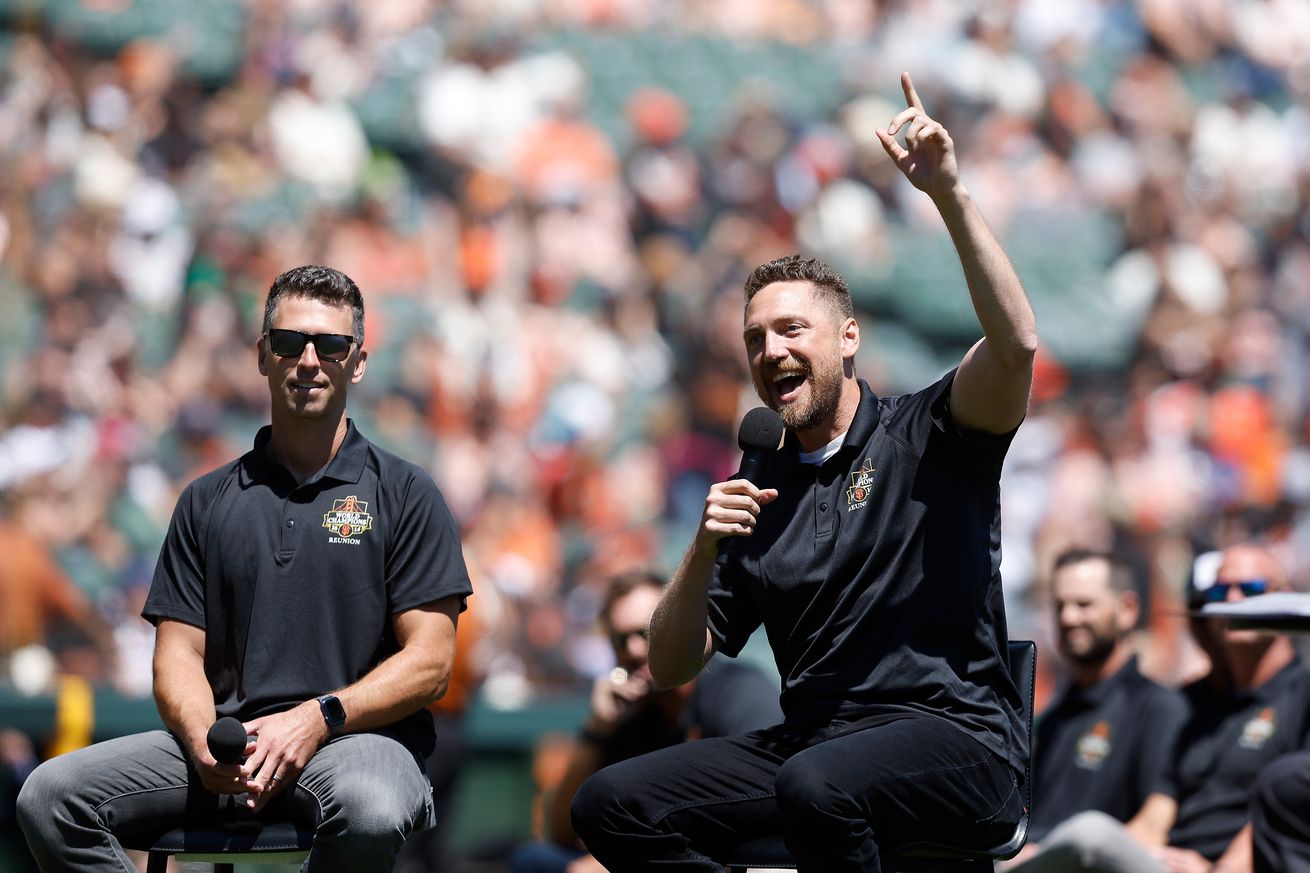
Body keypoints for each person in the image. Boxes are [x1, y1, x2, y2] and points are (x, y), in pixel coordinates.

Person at [571, 71, 1038, 872]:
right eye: (755, 338)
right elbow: (671, 664)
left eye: (792, 329)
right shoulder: (758, 489)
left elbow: (1015, 347)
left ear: (848, 337)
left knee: (816, 785)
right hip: (813, 745)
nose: (770, 351)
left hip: (957, 739)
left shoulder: (927, 432)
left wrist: (949, 194)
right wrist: (703, 547)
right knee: (611, 803)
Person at [16, 265, 473, 872]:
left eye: (330, 345)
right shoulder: (206, 500)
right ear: (263, 355)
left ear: (357, 362)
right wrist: (207, 742)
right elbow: (176, 654)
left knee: (372, 806)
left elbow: (432, 663)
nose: (309, 359)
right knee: (49, 798)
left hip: (353, 742)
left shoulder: (407, 492)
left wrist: (317, 718)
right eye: (289, 342)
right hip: (225, 743)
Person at [1019, 543, 1310, 873]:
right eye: (1218, 591)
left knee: (1090, 835)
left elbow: (1285, 807)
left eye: (1252, 589)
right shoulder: (1198, 706)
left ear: (1286, 597)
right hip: (1167, 863)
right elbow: (1156, 817)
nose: (1232, 601)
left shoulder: (1301, 694)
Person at [510, 571, 782, 873]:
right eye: (620, 639)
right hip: (650, 854)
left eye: (645, 633)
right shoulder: (634, 714)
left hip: (726, 858)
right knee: (534, 861)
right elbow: (560, 833)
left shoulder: (737, 690)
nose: (632, 650)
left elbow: (766, 809)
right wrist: (597, 730)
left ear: (676, 627)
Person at [1002, 548, 1187, 872]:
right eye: (1060, 606)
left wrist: (1051, 856)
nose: (1069, 618)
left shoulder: (1159, 708)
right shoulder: (1053, 717)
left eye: (1084, 604)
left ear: (1127, 609)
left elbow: (1153, 827)